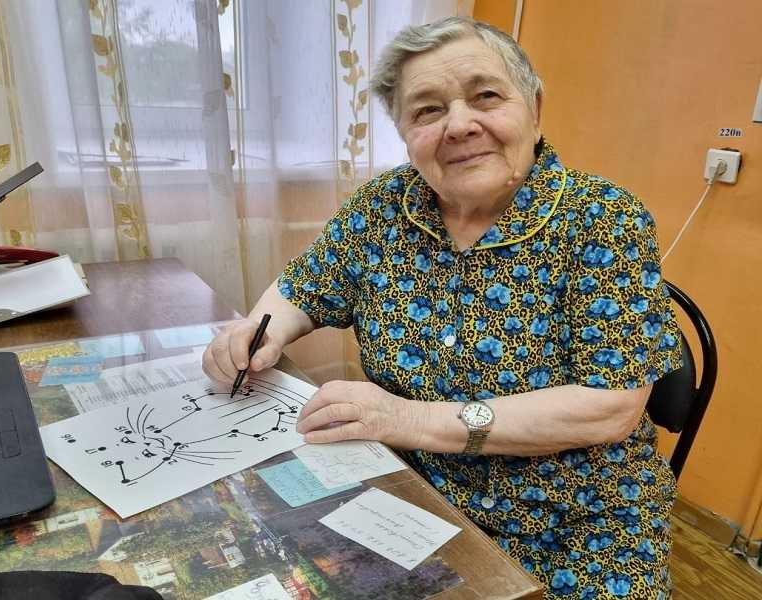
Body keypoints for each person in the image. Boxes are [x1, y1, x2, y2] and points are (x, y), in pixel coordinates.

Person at [203, 16, 681, 600]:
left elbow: (609, 408)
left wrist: (407, 420)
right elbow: (301, 290)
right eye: (428, 110)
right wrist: (257, 332)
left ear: (534, 109)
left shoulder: (603, 219)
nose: (459, 125)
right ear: (405, 133)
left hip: (573, 525)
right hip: (408, 493)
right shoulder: (384, 206)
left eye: (486, 96)